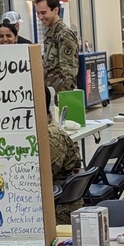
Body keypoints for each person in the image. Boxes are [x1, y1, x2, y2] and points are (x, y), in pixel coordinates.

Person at [45, 86, 81, 223]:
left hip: (59, 211)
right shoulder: (48, 132)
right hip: (55, 204)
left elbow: (42, 181)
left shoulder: (50, 137)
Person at [35, 0, 79, 92]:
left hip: (61, 93)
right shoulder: (51, 33)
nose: (40, 17)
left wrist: (62, 95)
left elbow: (68, 69)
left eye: (43, 13)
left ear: (55, 10)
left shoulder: (64, 34)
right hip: (51, 90)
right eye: (38, 13)